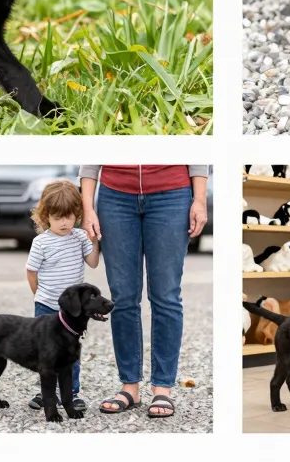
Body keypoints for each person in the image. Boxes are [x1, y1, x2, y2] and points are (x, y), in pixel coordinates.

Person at [80, 165, 208, 419]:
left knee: (166, 296)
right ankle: (130, 387)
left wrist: (200, 200)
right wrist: (87, 208)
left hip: (171, 194)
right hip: (115, 195)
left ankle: (162, 388)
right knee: (122, 298)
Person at [25, 180, 101, 413]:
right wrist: (40, 296)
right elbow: (31, 272)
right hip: (46, 306)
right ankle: (46, 391)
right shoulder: (41, 243)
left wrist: (93, 237)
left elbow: (94, 263)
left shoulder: (79, 238)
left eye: (69, 216)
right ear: (45, 216)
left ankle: (72, 392)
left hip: (73, 311)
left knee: (70, 352)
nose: (64, 223)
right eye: (58, 217)